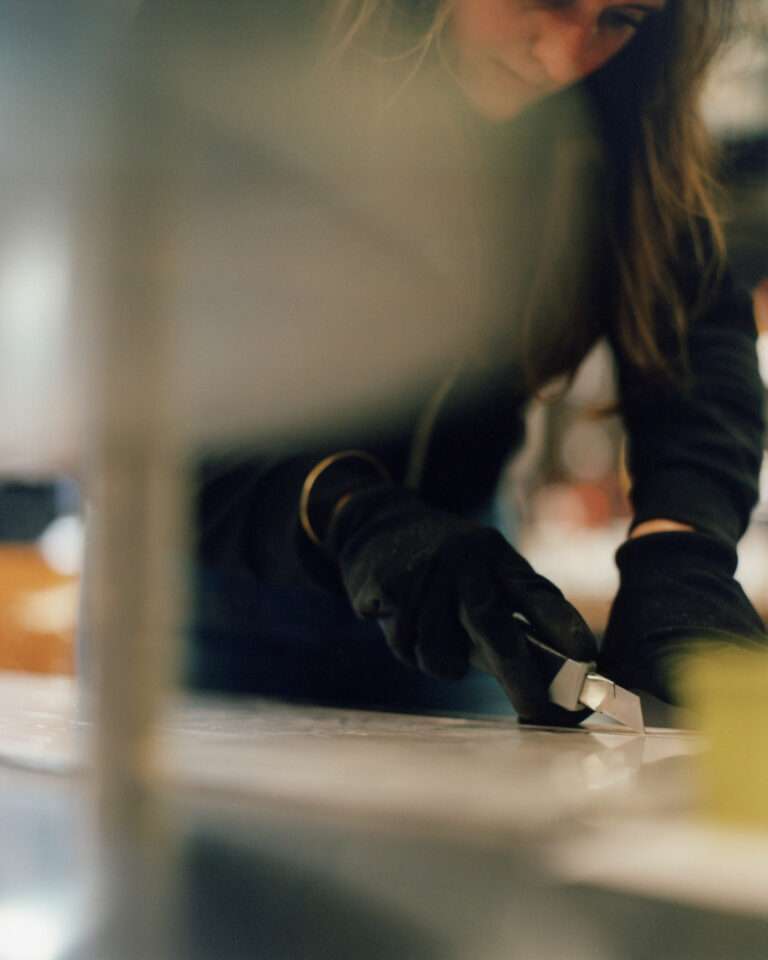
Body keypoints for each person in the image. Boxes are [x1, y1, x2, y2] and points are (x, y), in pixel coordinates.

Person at [191, 0, 767, 722]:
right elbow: (144, 407)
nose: (561, 57)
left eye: (619, 18)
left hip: (453, 592)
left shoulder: (613, 116)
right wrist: (356, 516)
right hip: (218, 592)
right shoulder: (243, 71)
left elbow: (693, 337)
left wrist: (683, 550)